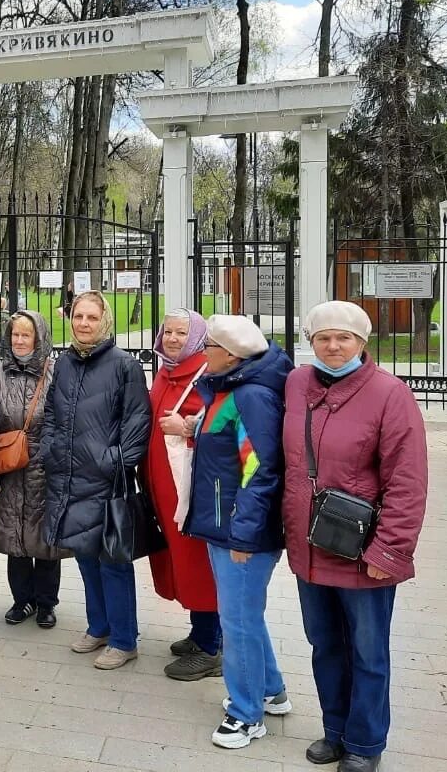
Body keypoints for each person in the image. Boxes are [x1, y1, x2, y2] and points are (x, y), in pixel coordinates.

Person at [282, 302, 427, 772]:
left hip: (361, 549)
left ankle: (365, 744)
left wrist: (390, 550)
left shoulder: (390, 394)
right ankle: (335, 730)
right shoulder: (297, 384)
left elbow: (407, 482)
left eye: (344, 337)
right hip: (310, 545)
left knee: (367, 652)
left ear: (363, 342)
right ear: (311, 341)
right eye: (323, 337)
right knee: (325, 644)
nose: (333, 346)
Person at [177, 314, 292, 750]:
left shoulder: (251, 396)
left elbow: (259, 469)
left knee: (237, 621)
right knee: (244, 616)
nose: (202, 355)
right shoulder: (229, 389)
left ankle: (246, 715)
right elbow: (225, 445)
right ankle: (271, 690)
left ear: (229, 354)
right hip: (225, 524)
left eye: (207, 348)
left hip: (240, 531)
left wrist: (244, 535)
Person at [41, 291, 151, 670]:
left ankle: (124, 639)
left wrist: (113, 461)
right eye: (78, 316)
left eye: (91, 317)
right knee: (85, 556)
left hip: (105, 480)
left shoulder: (124, 365)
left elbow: (137, 422)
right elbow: (52, 414)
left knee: (112, 561)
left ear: (104, 320)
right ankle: (99, 626)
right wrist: (51, 451)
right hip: (69, 475)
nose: (84, 324)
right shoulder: (65, 363)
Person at [147, 309, 223, 681]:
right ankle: (201, 631)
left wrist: (189, 425)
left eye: (182, 333)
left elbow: (226, 423)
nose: (173, 339)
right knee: (181, 560)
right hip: (165, 488)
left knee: (198, 563)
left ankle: (211, 647)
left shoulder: (206, 372)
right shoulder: (165, 372)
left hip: (191, 489)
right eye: (169, 331)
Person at [0, 310, 69, 628]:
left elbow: (65, 417)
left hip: (44, 466)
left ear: (39, 338)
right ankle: (22, 600)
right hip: (8, 466)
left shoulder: (54, 371)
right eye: (15, 335)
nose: (20, 341)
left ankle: (47, 603)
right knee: (14, 537)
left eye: (26, 335)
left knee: (46, 541)